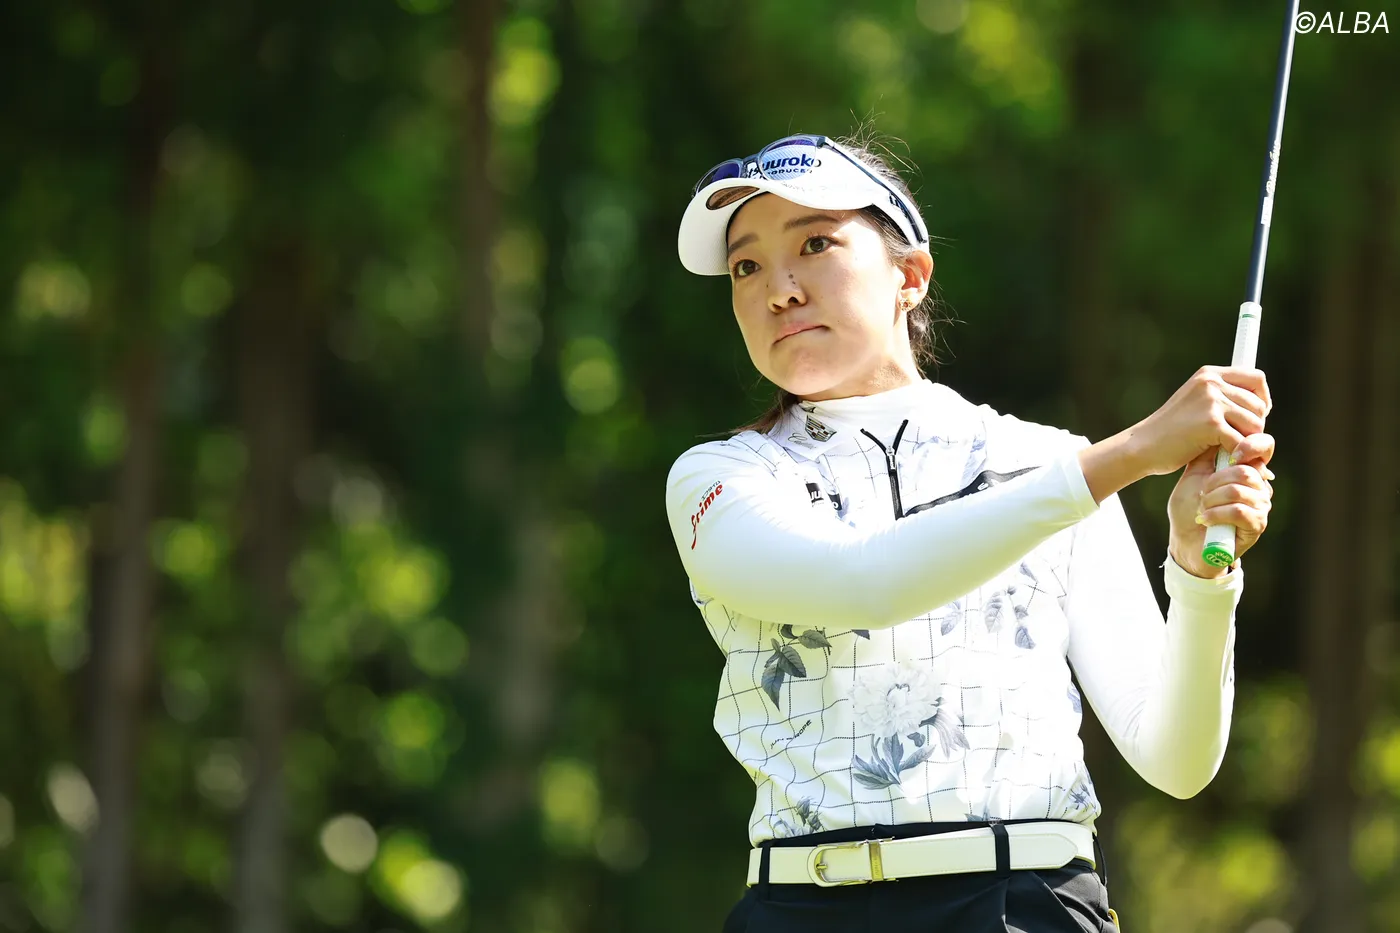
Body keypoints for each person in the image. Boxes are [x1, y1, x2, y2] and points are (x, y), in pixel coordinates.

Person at [664, 133, 1276, 933]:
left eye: (815, 244)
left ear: (910, 275)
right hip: (801, 909)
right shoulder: (720, 480)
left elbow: (1177, 759)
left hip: (1024, 903)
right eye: (746, 266)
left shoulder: (1046, 463)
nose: (779, 289)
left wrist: (1199, 578)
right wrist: (1130, 454)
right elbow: (862, 582)